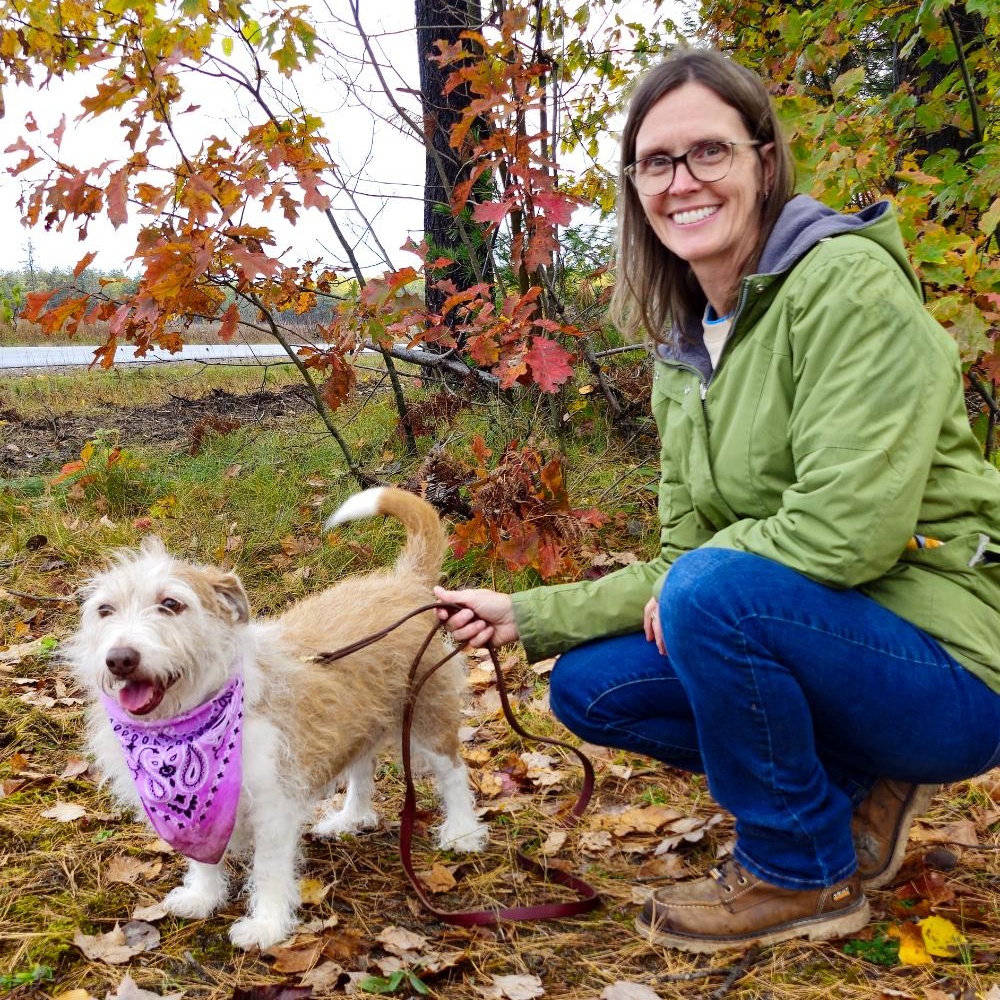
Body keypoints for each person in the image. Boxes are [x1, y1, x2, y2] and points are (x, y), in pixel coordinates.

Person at [434, 47, 1000, 953]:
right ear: (635, 184)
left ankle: (799, 872)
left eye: (709, 153)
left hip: (951, 662)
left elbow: (848, 531)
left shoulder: (844, 286)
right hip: (834, 640)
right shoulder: (687, 346)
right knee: (592, 687)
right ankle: (851, 788)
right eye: (656, 162)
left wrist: (701, 583)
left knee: (708, 591)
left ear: (763, 162)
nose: (681, 182)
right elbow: (678, 559)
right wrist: (525, 613)